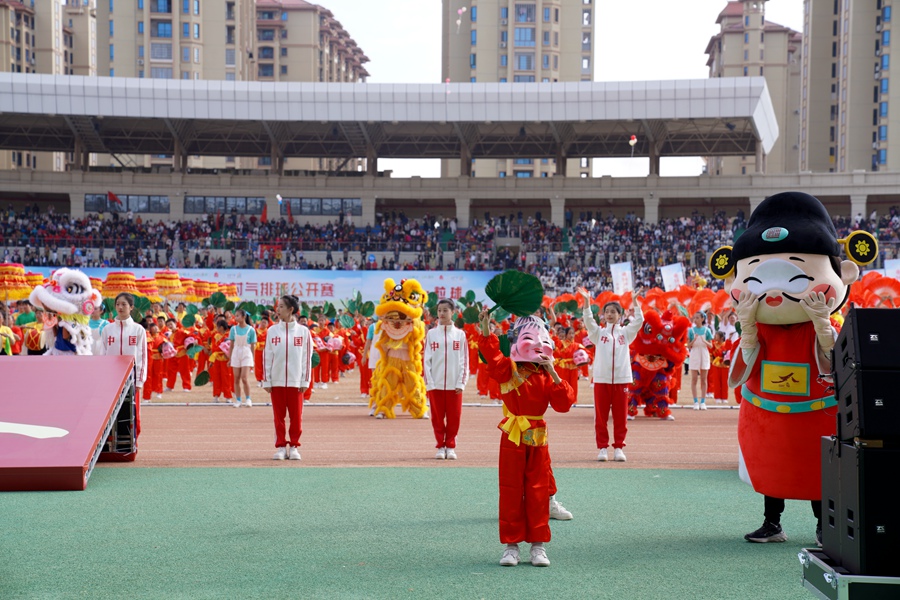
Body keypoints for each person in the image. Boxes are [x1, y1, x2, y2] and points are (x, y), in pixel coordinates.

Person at [710, 191, 870, 546]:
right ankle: (772, 522)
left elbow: (835, 365)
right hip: (767, 412)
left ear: (844, 273)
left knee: (818, 469)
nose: (773, 288)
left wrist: (823, 324)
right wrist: (748, 327)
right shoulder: (759, 323)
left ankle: (822, 523)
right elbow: (744, 367)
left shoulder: (824, 322)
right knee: (771, 466)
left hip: (815, 411)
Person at [477, 306, 576, 568]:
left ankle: (538, 547)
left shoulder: (546, 376)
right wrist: (486, 327)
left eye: (543, 340)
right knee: (511, 491)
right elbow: (490, 353)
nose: (537, 345)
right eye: (529, 339)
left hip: (537, 436)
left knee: (537, 491)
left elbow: (565, 403)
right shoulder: (508, 369)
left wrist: (553, 370)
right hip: (512, 435)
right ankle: (511, 547)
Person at [578, 287, 643, 462]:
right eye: (607, 312)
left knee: (621, 416)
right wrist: (586, 302)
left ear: (620, 315)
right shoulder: (598, 333)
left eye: (613, 312)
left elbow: (639, 321)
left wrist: (635, 301)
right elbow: (588, 320)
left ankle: (619, 448)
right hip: (601, 379)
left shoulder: (626, 333)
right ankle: (602, 448)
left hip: (621, 380)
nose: (609, 314)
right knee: (601, 416)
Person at [262, 295, 312, 461]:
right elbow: (267, 356)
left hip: (296, 381)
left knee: (296, 416)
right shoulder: (272, 331)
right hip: (276, 382)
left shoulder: (303, 332)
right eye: (278, 306)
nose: (278, 309)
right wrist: (266, 380)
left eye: (281, 306)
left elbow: (307, 357)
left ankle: (295, 446)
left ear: (291, 309)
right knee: (279, 417)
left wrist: (305, 380)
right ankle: (281, 446)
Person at [100, 292, 148, 450]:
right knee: (109, 414)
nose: (120, 307)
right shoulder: (107, 330)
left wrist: (139, 380)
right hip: (110, 380)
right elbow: (102, 354)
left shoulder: (138, 330)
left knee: (133, 414)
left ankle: (131, 445)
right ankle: (108, 446)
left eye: (124, 304)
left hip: (131, 379)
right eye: (118, 304)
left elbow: (142, 356)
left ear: (131, 307)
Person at [423, 299, 469, 460]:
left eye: (445, 310)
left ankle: (450, 445)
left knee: (454, 417)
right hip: (435, 385)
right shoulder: (431, 334)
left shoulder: (460, 335)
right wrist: (429, 382)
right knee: (436, 417)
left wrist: (461, 382)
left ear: (453, 312)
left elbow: (464, 360)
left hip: (454, 384)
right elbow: (426, 359)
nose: (441, 313)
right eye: (439, 310)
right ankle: (440, 446)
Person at [227, 308, 257, 408]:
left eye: (238, 316)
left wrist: (253, 359)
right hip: (236, 352)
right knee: (236, 378)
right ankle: (238, 400)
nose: (236, 318)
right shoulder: (233, 329)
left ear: (244, 317)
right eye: (235, 316)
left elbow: (253, 346)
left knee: (244, 377)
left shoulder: (251, 330)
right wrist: (230, 358)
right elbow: (231, 345)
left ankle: (248, 398)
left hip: (246, 353)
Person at [688, 311, 713, 410]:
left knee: (703, 379)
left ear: (702, 319)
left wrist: (704, 341)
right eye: (695, 317)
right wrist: (694, 340)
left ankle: (703, 401)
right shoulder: (691, 330)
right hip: (694, 353)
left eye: (698, 317)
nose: (696, 319)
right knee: (694, 378)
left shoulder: (707, 330)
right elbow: (688, 345)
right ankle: (695, 402)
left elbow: (711, 345)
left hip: (704, 353)